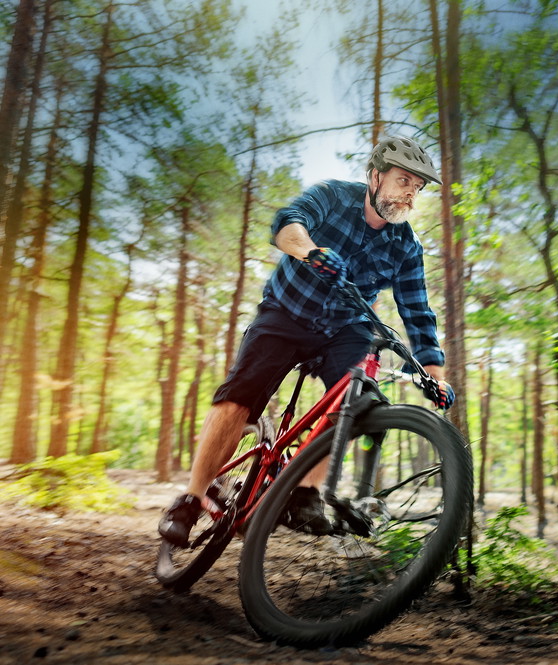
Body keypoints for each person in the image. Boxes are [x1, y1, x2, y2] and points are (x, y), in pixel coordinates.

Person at [158, 136, 454, 547]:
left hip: (344, 327)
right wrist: (310, 250)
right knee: (239, 398)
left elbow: (418, 311)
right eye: (403, 180)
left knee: (354, 397)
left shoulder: (406, 246)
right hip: (286, 313)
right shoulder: (333, 196)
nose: (409, 193)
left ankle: (305, 492)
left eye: (417, 187)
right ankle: (189, 500)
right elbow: (288, 222)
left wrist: (434, 375)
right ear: (374, 176)